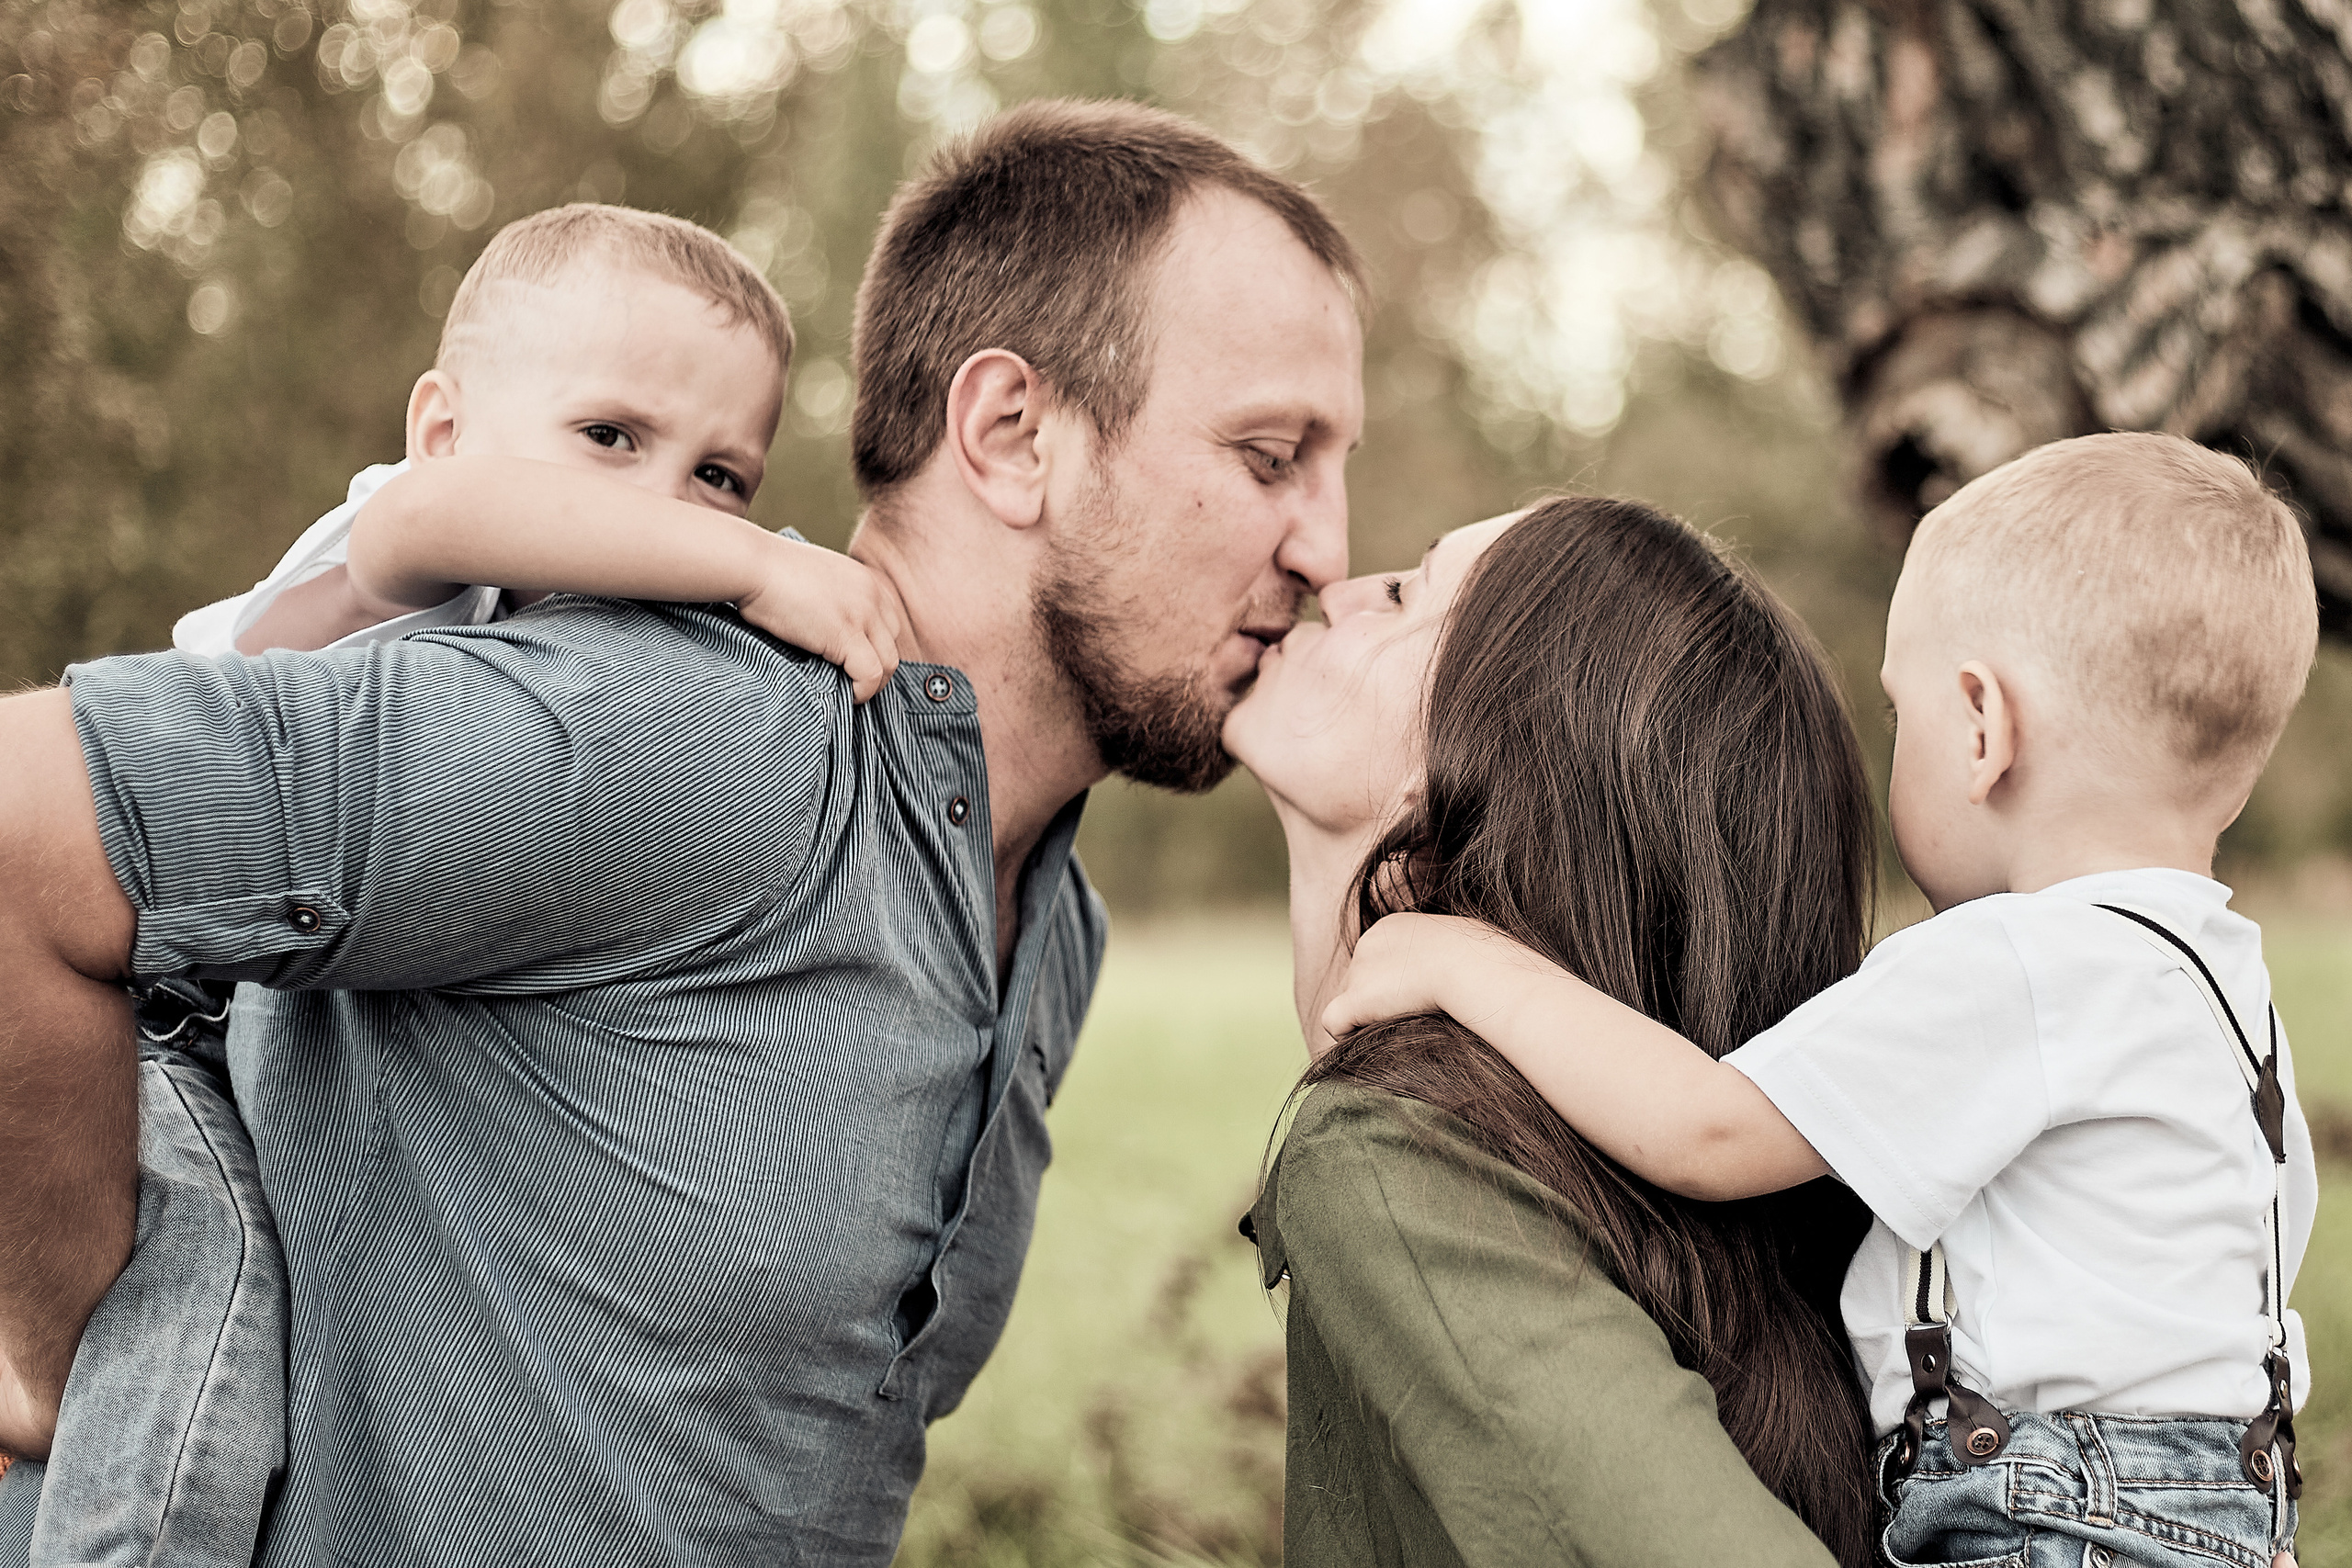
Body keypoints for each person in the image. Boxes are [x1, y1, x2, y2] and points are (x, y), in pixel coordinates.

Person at [0, 98, 1362, 1566]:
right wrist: (82, 1355)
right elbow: (20, 819)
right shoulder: (676, 725)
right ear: (1012, 433)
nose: (1328, 545)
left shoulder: (1055, 912)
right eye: (1272, 454)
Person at [0, 199, 926, 1564]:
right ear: (440, 424)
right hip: (151, 998)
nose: (661, 502)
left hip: (227, 978)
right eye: (611, 436)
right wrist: (751, 557)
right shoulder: (413, 523)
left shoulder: (596, 667)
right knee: (194, 1338)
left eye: (723, 474)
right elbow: (479, 514)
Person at [1325, 435, 2320, 1568]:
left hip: (2055, 1522)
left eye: (1899, 719)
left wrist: (1464, 961)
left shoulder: (2021, 964)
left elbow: (1705, 1130)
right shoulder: (2225, 998)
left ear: (1981, 727)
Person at [1225, 495, 1888, 1566]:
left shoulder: (1395, 1156)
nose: (1335, 586)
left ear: (1465, 759)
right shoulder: (1580, 1163)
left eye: (1404, 593)